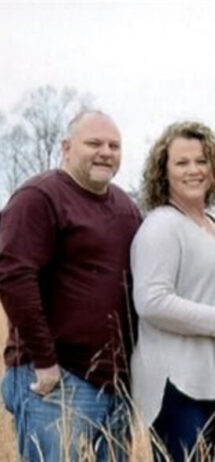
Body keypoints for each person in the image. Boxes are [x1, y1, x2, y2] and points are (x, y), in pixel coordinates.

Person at [0, 110, 142, 461]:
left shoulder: (125, 206)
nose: (106, 152)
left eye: (114, 145)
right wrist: (46, 361)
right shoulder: (39, 197)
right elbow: (14, 275)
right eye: (94, 143)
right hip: (58, 380)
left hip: (115, 383)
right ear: (66, 147)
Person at [130, 120, 215, 461]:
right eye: (181, 163)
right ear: (163, 172)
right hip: (175, 387)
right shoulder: (161, 226)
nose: (193, 170)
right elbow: (151, 302)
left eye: (201, 161)